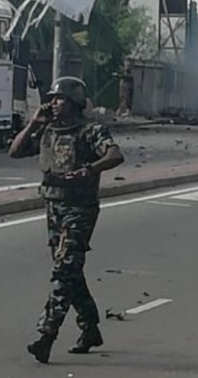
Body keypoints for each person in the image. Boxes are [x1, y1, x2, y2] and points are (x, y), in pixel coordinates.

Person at [9, 76, 125, 364]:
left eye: (60, 99)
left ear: (74, 102)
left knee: (63, 271)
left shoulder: (90, 131)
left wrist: (90, 169)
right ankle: (90, 328)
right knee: (70, 272)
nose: (54, 103)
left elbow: (115, 154)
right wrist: (35, 122)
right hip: (54, 207)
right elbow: (15, 151)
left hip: (79, 209)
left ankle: (46, 334)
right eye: (52, 99)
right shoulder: (47, 129)